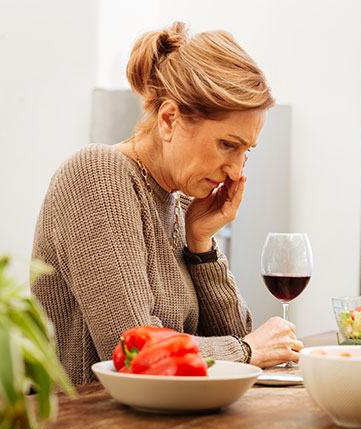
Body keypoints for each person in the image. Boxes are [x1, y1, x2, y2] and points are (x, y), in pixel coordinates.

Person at [32, 21, 304, 385]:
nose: (236, 170)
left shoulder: (177, 201)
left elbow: (236, 334)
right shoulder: (98, 174)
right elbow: (130, 351)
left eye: (246, 151)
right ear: (169, 119)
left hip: (162, 427)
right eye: (227, 144)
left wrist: (201, 244)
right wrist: (245, 351)